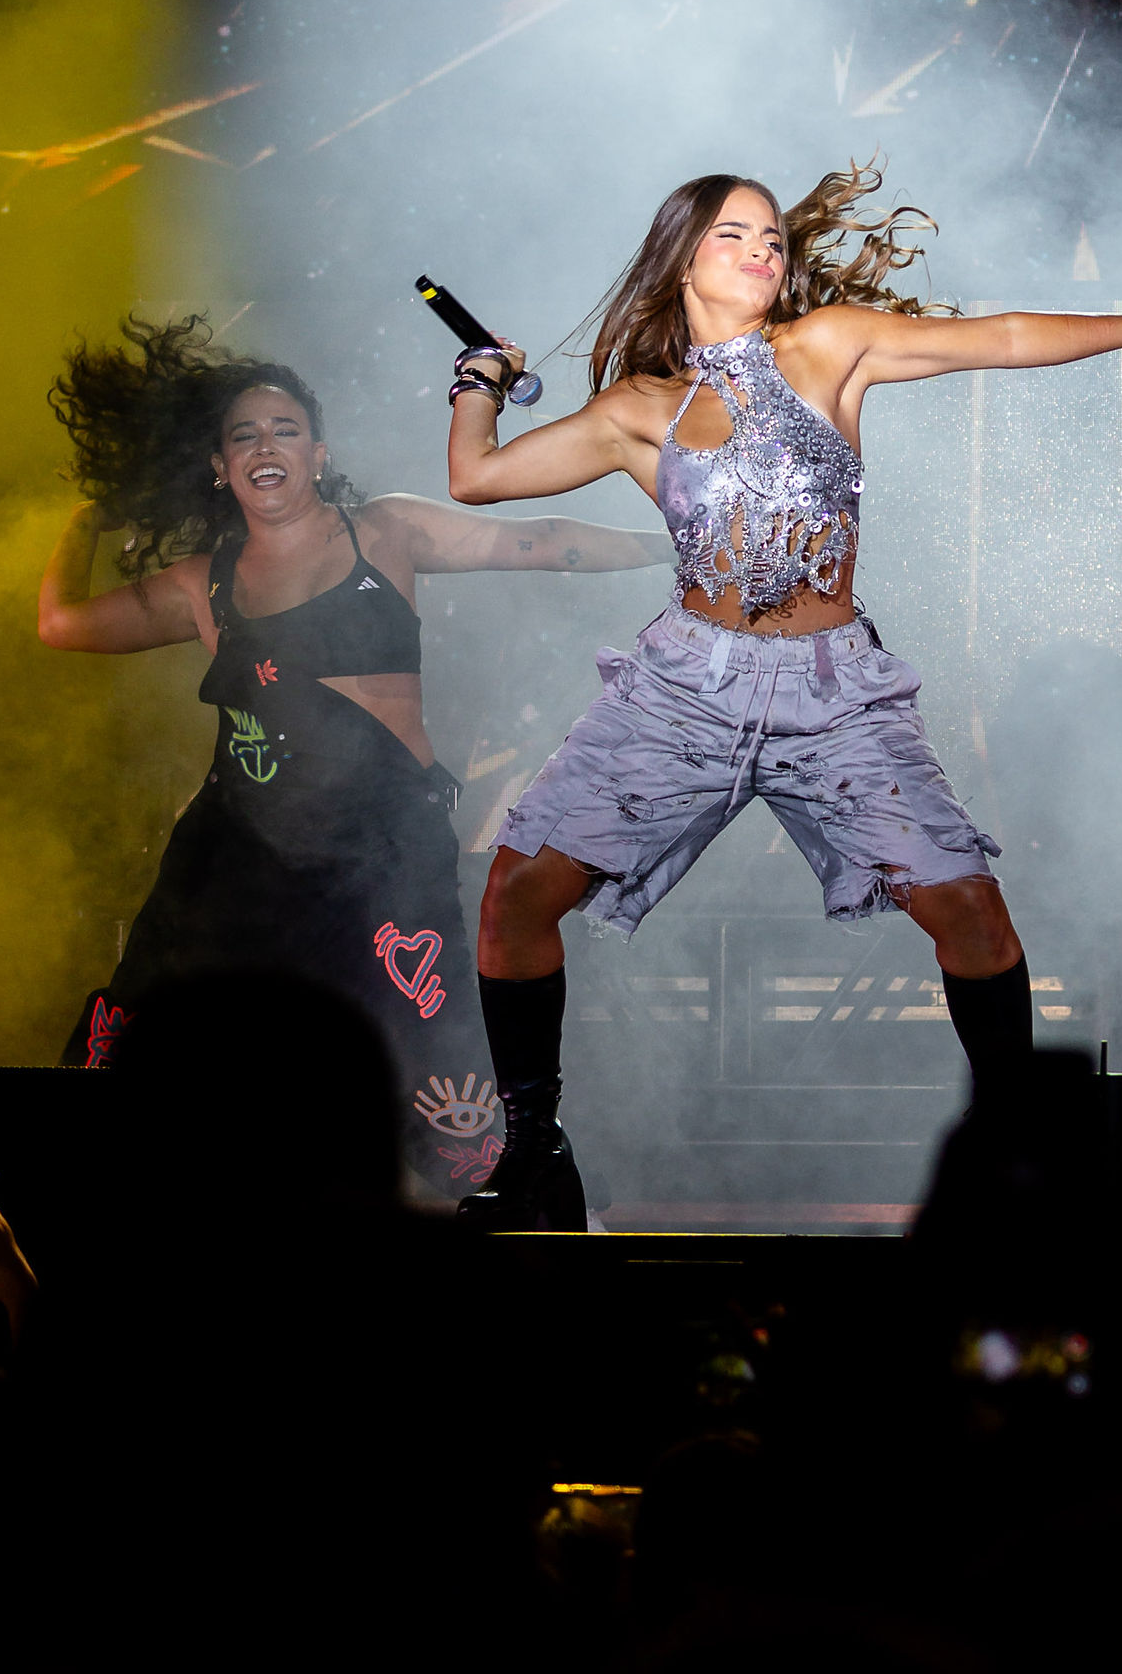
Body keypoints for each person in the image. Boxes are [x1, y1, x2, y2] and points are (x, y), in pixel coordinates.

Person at [444, 166, 1122, 1228]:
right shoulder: (637, 410)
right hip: (687, 690)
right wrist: (478, 380)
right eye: (734, 234)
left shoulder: (827, 345)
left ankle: (1015, 1160)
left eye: (772, 237)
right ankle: (536, 1153)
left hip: (831, 691)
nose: (763, 251)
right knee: (516, 893)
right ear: (679, 256)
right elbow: (476, 480)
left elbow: (996, 338)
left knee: (969, 912)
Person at [39, 316, 670, 1189]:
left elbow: (543, 542)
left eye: (285, 430)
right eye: (245, 435)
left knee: (435, 1050)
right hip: (238, 851)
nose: (266, 446)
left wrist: (687, 547)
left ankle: (508, 1222)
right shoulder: (201, 582)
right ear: (219, 465)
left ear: (317, 452)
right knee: (145, 1018)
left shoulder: (384, 531)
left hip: (381, 843)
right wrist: (89, 516)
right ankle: (67, 1206)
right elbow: (61, 623)